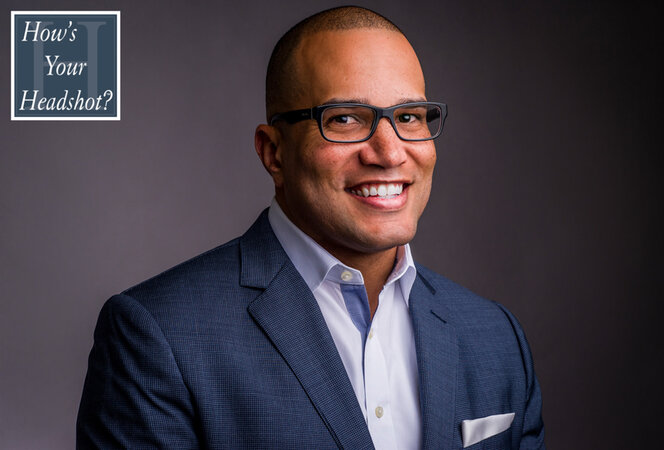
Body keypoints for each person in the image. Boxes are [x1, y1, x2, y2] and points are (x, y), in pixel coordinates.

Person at [77, 6, 545, 449]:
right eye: (345, 119)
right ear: (274, 152)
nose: (389, 152)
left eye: (408, 117)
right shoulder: (159, 334)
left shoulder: (496, 338)